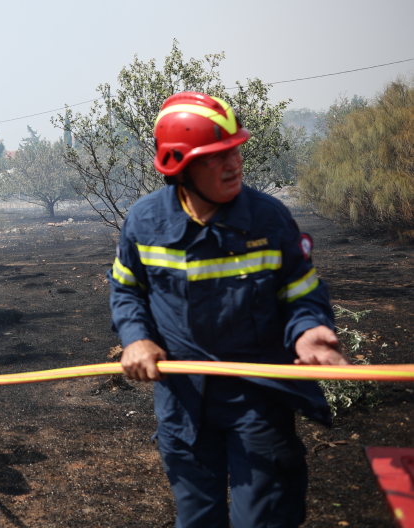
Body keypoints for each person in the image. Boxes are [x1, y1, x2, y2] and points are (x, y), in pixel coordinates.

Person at [108, 92, 348, 528]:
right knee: (198, 519)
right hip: (183, 401)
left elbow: (302, 293)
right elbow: (127, 292)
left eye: (235, 150)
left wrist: (309, 330)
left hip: (257, 396)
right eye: (216, 156)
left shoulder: (268, 220)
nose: (234, 163)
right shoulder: (144, 224)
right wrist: (136, 338)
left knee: (263, 519)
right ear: (179, 165)